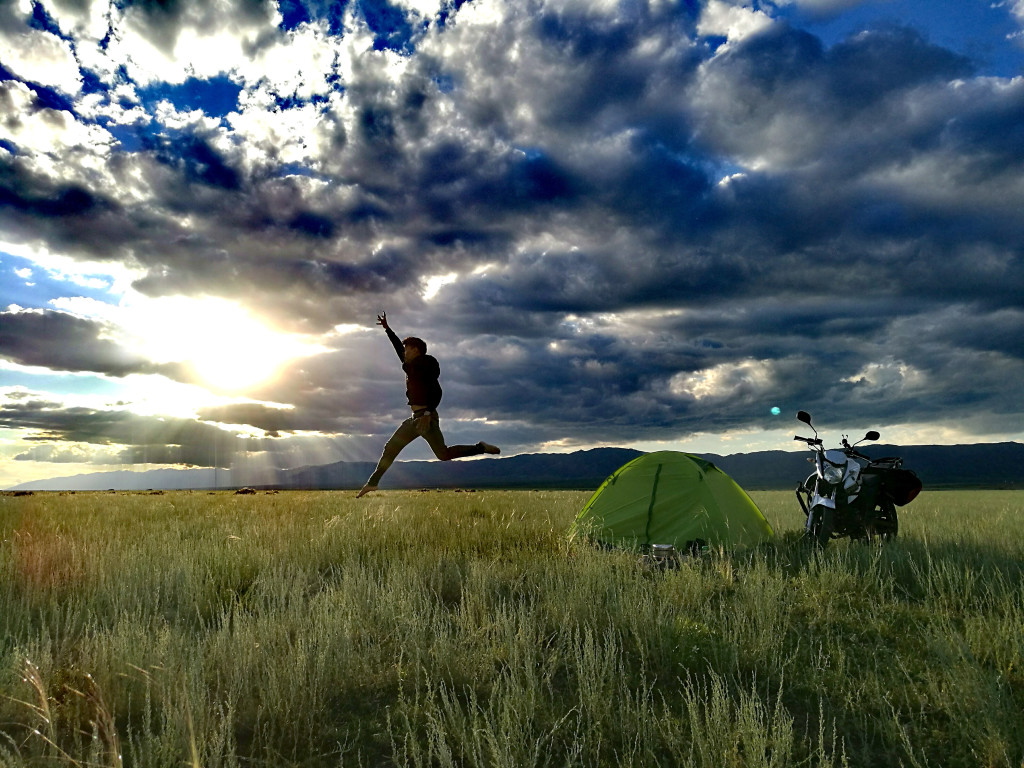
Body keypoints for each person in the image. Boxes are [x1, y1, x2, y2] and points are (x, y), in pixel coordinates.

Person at [357, 312, 500, 497]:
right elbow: (396, 347)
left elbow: (437, 391)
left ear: (416, 350)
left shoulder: (425, 365)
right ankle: (373, 483)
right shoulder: (410, 366)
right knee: (392, 448)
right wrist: (387, 328)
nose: (404, 352)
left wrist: (427, 414)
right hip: (415, 419)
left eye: (407, 349)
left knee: (443, 454)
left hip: (426, 418)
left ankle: (480, 447)